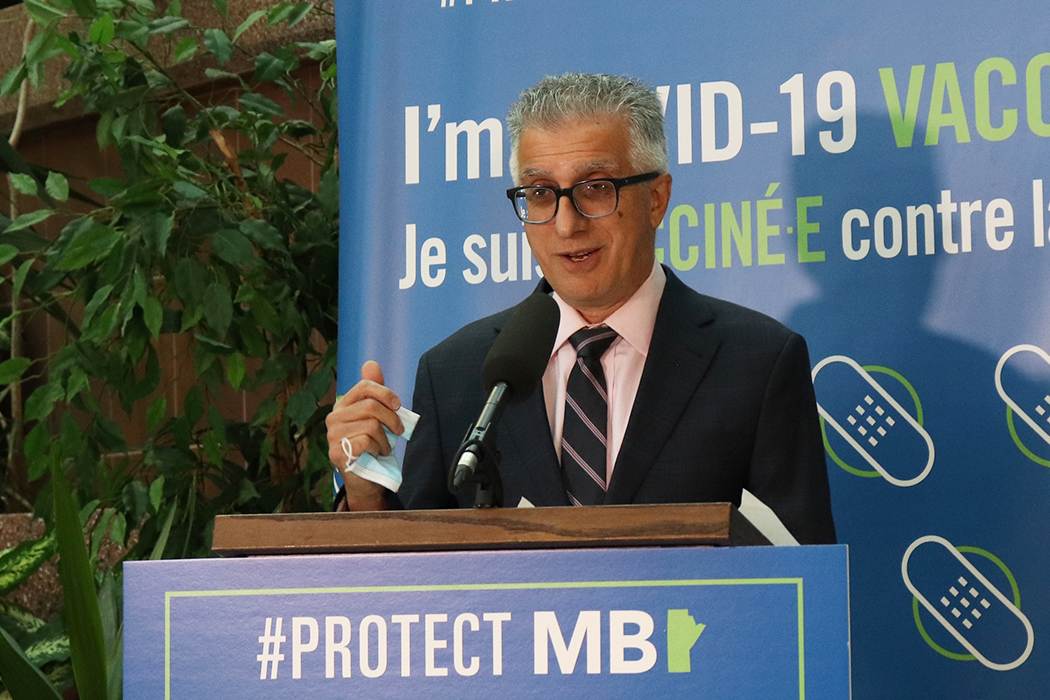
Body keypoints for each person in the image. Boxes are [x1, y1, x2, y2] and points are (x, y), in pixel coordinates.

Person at [326, 73, 836, 544]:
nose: (567, 225)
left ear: (656, 199)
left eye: (596, 188)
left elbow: (799, 591)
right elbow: (408, 593)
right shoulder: (458, 373)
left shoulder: (757, 363)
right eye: (541, 193)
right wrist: (366, 494)